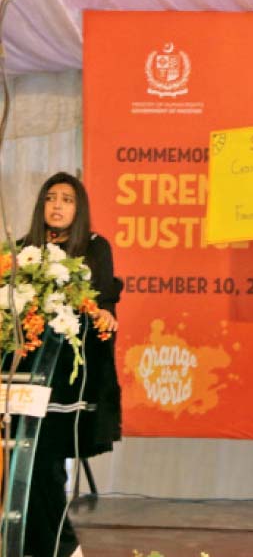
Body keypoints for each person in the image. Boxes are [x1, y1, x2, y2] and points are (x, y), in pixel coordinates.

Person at [20, 172, 122, 557]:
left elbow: (102, 298)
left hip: (68, 376)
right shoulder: (21, 251)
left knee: (45, 462)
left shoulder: (94, 248)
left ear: (78, 208)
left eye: (66, 199)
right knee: (24, 463)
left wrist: (106, 314)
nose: (57, 205)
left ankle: (62, 546)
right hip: (25, 374)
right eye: (51, 198)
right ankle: (45, 546)